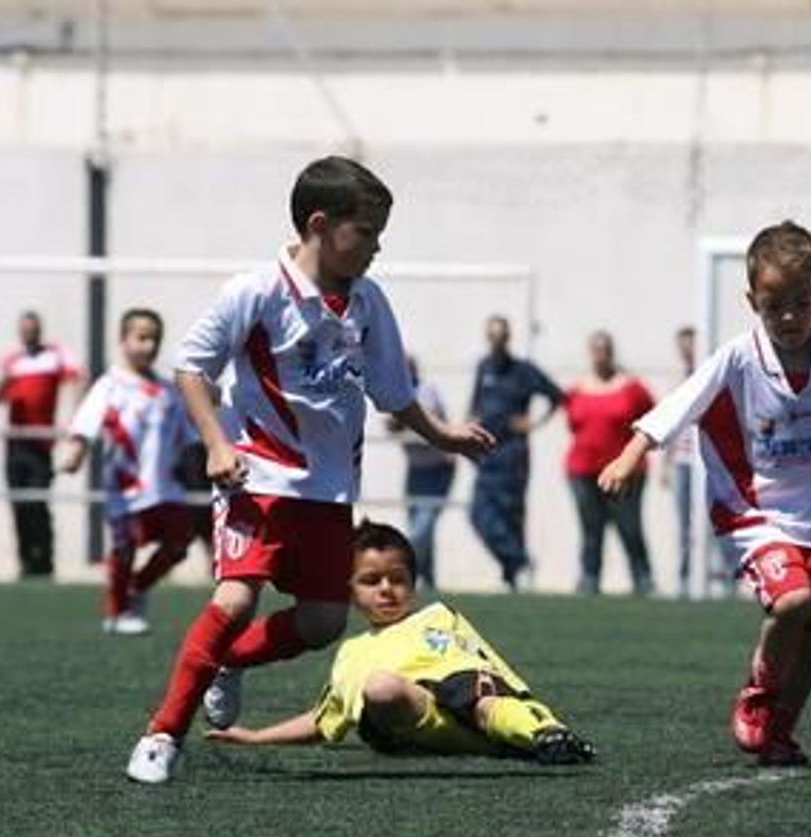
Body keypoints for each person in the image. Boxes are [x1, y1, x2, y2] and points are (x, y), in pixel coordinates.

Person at [124, 155, 496, 785]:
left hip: (328, 493)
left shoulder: (369, 302)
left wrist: (443, 434)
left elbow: (391, 390)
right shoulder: (256, 291)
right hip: (256, 482)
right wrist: (217, 445)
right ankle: (163, 735)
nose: (377, 248)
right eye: (367, 233)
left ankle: (223, 663)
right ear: (320, 224)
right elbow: (192, 369)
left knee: (323, 622)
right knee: (236, 600)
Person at [599, 221, 811, 765]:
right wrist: (631, 453)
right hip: (758, 514)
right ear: (753, 301)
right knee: (793, 602)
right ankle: (757, 695)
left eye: (801, 303)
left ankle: (781, 730)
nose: (790, 318)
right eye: (775, 306)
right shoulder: (738, 357)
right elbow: (683, 402)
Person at [205, 520, 595, 763]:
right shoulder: (351, 653)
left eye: (397, 578)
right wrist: (257, 737)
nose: (387, 589)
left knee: (471, 687)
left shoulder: (438, 617)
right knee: (381, 687)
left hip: (466, 712)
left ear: (413, 580)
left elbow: (489, 670)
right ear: (349, 590)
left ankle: (543, 736)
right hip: (410, 724)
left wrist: (538, 712)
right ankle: (504, 741)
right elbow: (324, 721)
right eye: (371, 581)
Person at [60, 308, 195, 635]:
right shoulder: (110, 385)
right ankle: (117, 612)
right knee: (124, 548)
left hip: (165, 487)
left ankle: (138, 586)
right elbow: (86, 423)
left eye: (155, 339)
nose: (149, 346)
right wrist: (75, 452)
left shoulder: (168, 390)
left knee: (179, 542)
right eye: (142, 337)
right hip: (126, 488)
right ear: (124, 341)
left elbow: (189, 434)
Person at [468, 314, 563, 589]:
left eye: (501, 336)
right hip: (486, 451)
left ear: (508, 338)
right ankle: (519, 561)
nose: (496, 341)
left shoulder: (523, 370)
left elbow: (557, 396)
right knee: (479, 514)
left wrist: (533, 424)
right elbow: (475, 405)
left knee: (510, 513)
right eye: (492, 336)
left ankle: (512, 576)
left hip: (512, 453)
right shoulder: (483, 367)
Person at [565, 330, 657, 595]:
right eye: (595, 350)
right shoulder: (578, 389)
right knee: (591, 527)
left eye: (604, 349)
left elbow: (652, 420)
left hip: (625, 471)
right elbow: (573, 424)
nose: (600, 355)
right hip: (583, 470)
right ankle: (589, 578)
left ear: (612, 352)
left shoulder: (632, 388)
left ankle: (642, 579)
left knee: (629, 526)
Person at [0, 310, 81, 577]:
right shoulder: (13, 361)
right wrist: (6, 379)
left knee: (38, 502)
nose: (28, 334)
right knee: (18, 504)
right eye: (24, 330)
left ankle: (45, 562)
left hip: (40, 445)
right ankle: (25, 562)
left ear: (39, 330)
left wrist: (75, 419)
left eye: (32, 329)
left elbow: (77, 377)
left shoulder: (54, 355)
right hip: (15, 444)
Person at [388, 356, 456, 589]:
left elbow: (427, 421)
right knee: (421, 527)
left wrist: (403, 421)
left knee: (421, 529)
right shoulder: (394, 392)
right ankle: (428, 580)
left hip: (439, 469)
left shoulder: (427, 391)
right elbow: (391, 425)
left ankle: (404, 577)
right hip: (416, 469)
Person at [663, 326, 701, 598]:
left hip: (706, 463)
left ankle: (724, 575)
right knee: (684, 524)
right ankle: (685, 578)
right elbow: (668, 424)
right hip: (682, 461)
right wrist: (666, 464)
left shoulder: (710, 376)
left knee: (712, 523)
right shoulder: (678, 381)